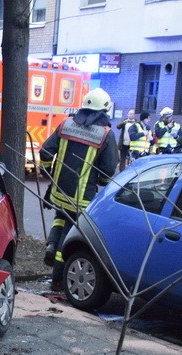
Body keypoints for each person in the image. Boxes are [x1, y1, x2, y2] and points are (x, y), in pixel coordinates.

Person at [39, 87, 119, 292]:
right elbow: (109, 170)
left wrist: (48, 173)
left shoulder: (66, 124)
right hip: (82, 198)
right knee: (70, 233)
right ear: (105, 110)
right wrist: (101, 180)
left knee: (60, 217)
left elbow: (46, 152)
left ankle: (51, 244)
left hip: (58, 191)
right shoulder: (106, 135)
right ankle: (57, 279)